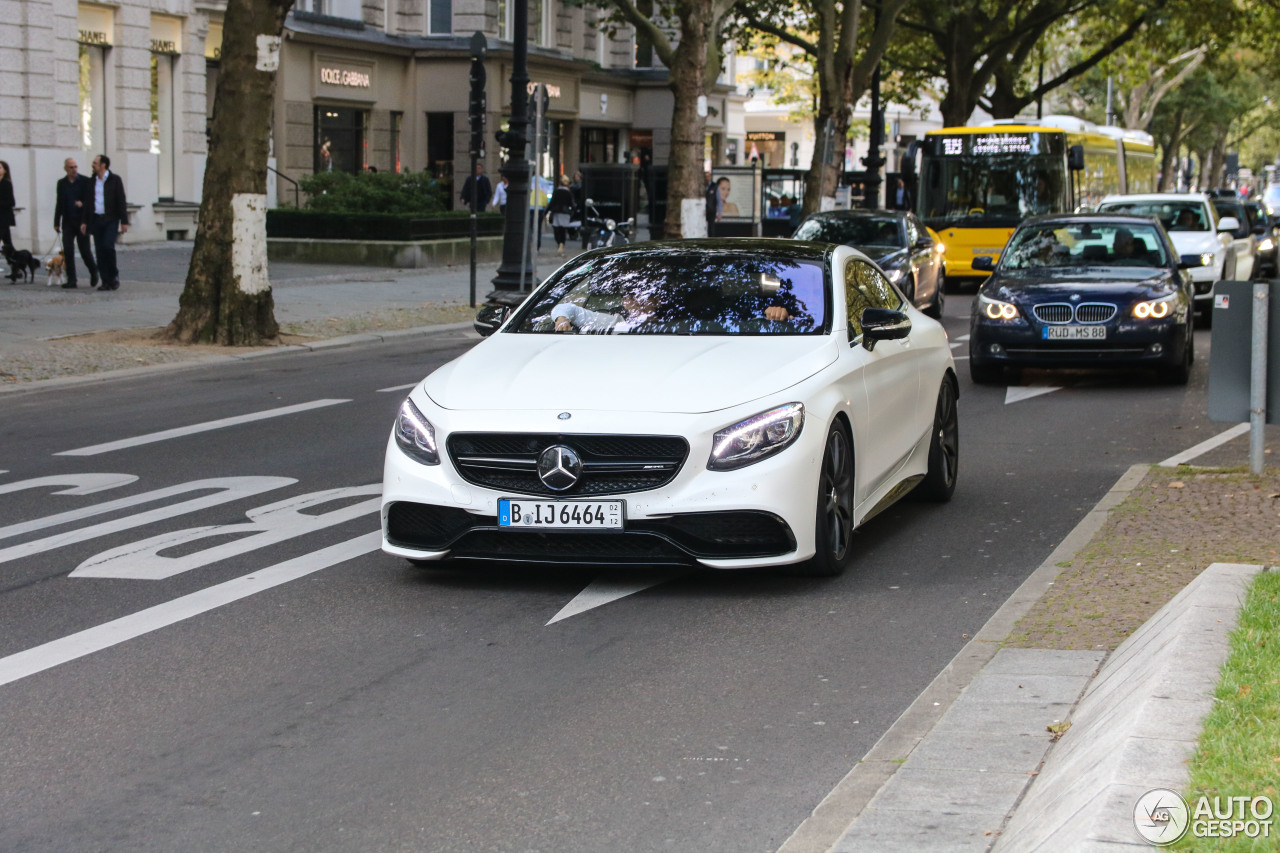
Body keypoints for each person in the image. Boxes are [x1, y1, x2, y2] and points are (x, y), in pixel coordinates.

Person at [53, 158, 98, 289]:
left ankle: (93, 270)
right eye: (71, 167)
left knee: (85, 250)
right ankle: (72, 279)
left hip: (81, 221)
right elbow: (59, 203)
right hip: (68, 221)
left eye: (75, 167)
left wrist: (83, 204)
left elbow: (91, 201)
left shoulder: (85, 181)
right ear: (65, 169)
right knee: (68, 250)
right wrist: (56, 221)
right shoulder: (61, 183)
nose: (74, 170)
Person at [84, 154, 127, 291]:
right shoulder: (92, 181)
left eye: (95, 163)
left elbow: (121, 200)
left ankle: (113, 276)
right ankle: (105, 280)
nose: (93, 165)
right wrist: (84, 221)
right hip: (96, 219)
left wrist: (124, 221)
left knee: (108, 247)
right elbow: (88, 203)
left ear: (103, 165)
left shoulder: (115, 180)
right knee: (99, 250)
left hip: (111, 219)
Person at [548, 175, 575, 257]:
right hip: (565, 213)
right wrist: (573, 212)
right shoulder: (569, 193)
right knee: (563, 230)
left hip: (557, 212)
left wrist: (547, 211)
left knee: (557, 229)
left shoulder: (556, 191)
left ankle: (559, 242)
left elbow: (552, 202)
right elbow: (572, 204)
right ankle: (561, 244)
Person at [0, 160, 14, 256]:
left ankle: (15, 263)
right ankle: (15, 263)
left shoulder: (6, 183)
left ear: (5, 171)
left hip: (4, 218)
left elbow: (11, 202)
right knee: (7, 243)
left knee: (7, 243)